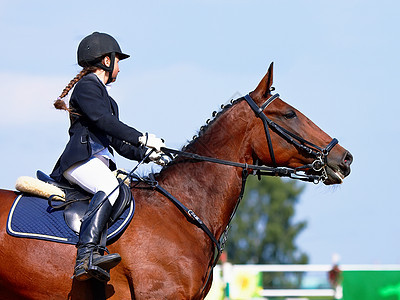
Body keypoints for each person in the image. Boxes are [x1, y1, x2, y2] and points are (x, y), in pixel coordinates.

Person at [51, 32, 166, 281]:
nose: (120, 69)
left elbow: (117, 142)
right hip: (80, 161)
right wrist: (142, 136)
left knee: (115, 186)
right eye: (118, 61)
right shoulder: (87, 87)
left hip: (96, 161)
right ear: (106, 60)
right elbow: (103, 121)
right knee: (110, 187)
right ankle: (86, 257)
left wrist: (148, 154)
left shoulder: (108, 99)